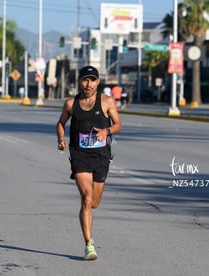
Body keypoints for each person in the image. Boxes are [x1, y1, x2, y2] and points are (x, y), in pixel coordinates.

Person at [56, 65, 122, 260]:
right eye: (85, 80)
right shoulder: (70, 104)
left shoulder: (107, 102)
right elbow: (60, 123)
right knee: (86, 197)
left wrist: (106, 131)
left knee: (94, 202)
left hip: (101, 155)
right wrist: (61, 139)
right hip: (80, 155)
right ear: (80, 81)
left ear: (98, 82)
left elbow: (118, 124)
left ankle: (89, 227)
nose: (89, 84)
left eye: (92, 80)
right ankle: (89, 245)